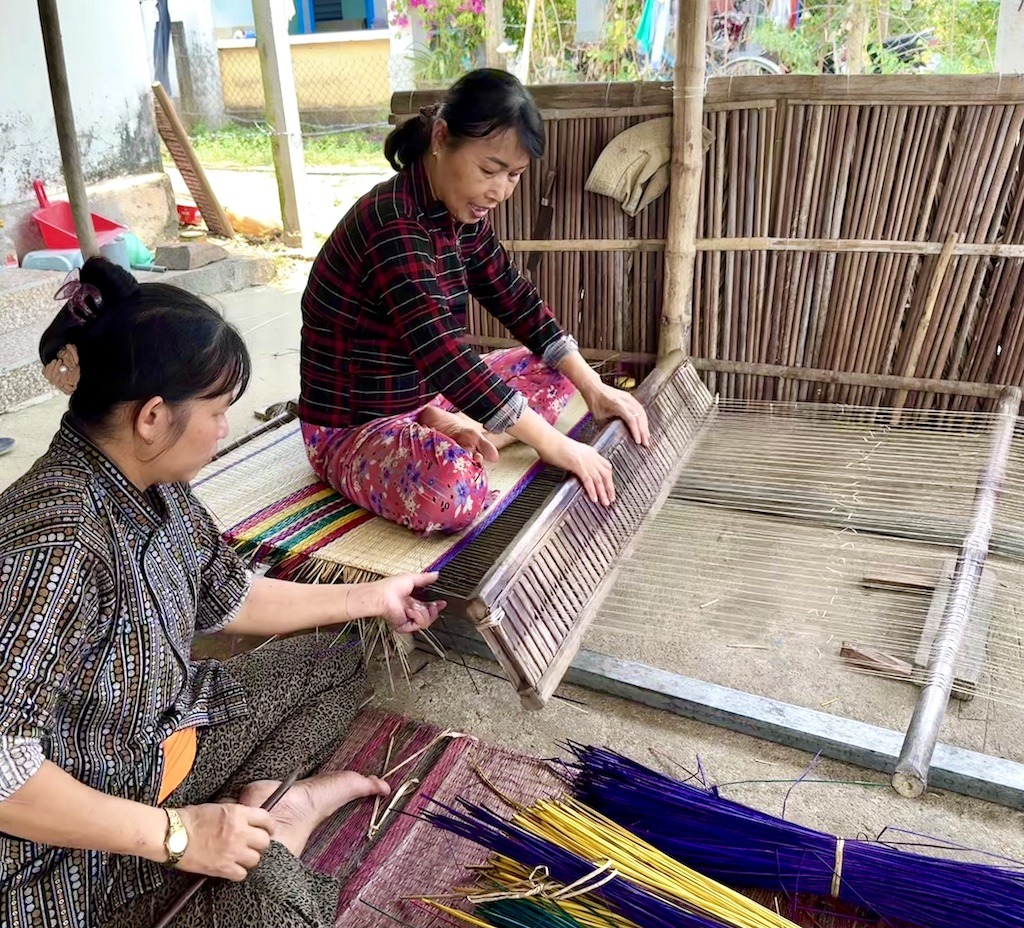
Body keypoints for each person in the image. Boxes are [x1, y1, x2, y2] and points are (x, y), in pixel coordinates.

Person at [0, 257, 444, 928]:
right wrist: (180, 837)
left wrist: (375, 598)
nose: (225, 429)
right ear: (153, 415)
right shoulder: (54, 544)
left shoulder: (157, 482)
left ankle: (268, 808)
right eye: (217, 410)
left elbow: (228, 596)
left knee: (348, 654)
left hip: (164, 738)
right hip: (77, 847)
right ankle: (270, 835)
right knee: (270, 910)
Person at [299, 68, 651, 535]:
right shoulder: (392, 226)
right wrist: (554, 445)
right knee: (456, 490)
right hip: (353, 425)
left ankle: (440, 420)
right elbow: (444, 355)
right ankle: (445, 427)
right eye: (489, 170)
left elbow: (514, 298)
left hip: (423, 392)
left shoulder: (460, 214)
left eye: (514, 176)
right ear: (442, 138)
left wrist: (594, 388)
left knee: (556, 374)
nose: (500, 191)